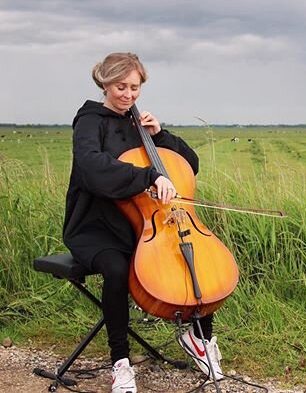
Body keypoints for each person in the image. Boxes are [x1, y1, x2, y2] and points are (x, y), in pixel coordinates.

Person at [63, 52, 223, 393]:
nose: (128, 95)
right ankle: (120, 362)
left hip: (141, 222)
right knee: (117, 269)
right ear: (105, 83)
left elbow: (188, 165)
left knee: (192, 255)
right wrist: (149, 176)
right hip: (96, 225)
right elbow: (92, 167)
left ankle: (199, 338)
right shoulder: (90, 120)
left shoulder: (140, 124)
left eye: (134, 88)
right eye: (121, 86)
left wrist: (161, 135)